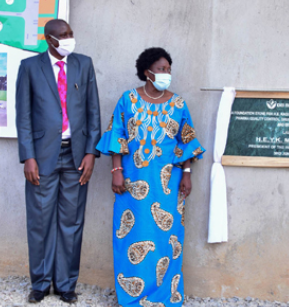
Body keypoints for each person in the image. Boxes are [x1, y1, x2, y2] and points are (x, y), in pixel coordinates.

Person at [96, 47, 205, 306]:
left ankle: (165, 296)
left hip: (168, 185)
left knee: (167, 240)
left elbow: (186, 140)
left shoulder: (178, 103)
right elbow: (117, 136)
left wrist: (187, 174)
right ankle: (132, 296)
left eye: (168, 69)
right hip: (132, 182)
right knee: (132, 234)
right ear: (147, 72)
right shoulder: (128, 100)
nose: (167, 73)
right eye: (161, 69)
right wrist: (116, 171)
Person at [16, 19, 101, 304]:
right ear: (48, 39)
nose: (68, 39)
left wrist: (91, 152)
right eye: (62, 36)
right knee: (40, 221)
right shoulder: (30, 67)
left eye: (70, 34)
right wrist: (28, 156)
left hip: (76, 155)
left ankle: (66, 284)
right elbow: (24, 116)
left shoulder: (83, 64)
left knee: (71, 221)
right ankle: (40, 283)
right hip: (42, 156)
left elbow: (93, 111)